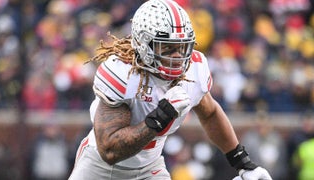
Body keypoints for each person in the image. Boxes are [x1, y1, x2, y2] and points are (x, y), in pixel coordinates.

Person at [69, 0, 272, 179]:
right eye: (167, 48)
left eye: (182, 47)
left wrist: (241, 162)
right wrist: (159, 117)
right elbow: (109, 151)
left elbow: (210, 114)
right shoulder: (123, 73)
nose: (177, 56)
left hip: (149, 168)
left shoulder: (194, 70)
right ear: (143, 44)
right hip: (100, 169)